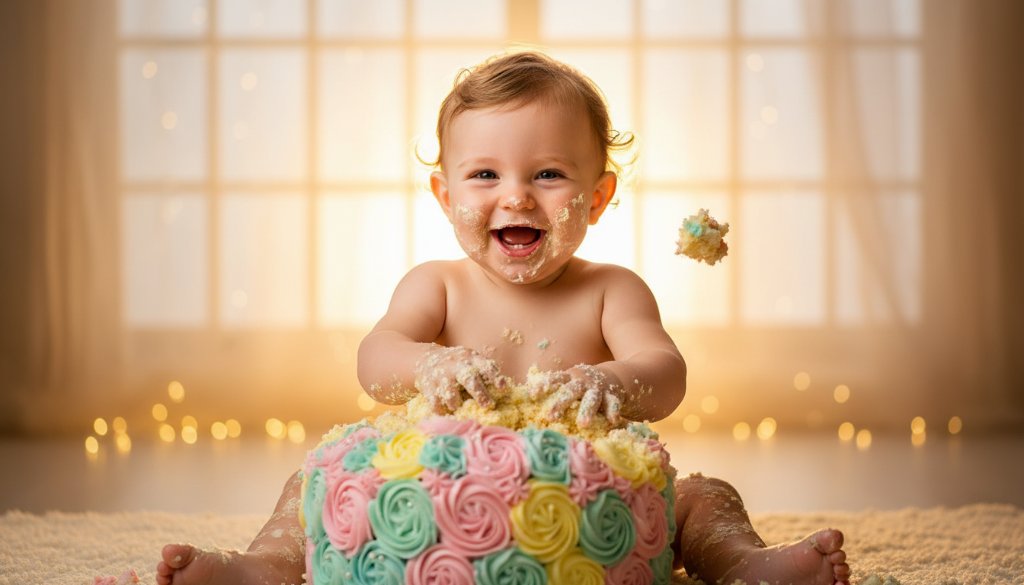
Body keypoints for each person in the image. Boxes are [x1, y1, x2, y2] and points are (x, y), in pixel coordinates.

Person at [157, 50, 851, 585]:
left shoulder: (612, 289)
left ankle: (746, 564)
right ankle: (262, 568)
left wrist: (613, 379)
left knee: (704, 494)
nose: (516, 195)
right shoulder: (440, 285)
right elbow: (376, 354)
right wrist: (429, 361)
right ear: (444, 192)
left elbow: (664, 371)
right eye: (484, 175)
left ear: (599, 195)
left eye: (548, 174)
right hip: (437, 495)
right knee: (307, 482)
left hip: (587, 497)